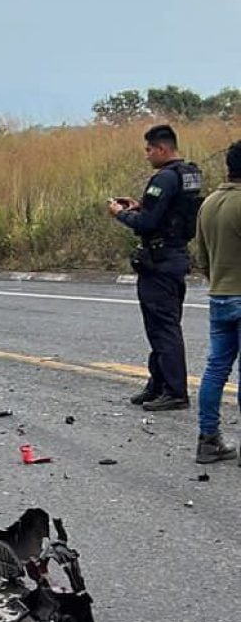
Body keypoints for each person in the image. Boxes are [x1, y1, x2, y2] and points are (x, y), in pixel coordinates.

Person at [108, 124, 201, 412]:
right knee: (160, 326)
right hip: (175, 256)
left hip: (160, 262)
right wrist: (140, 206)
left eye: (149, 150)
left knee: (163, 327)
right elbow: (169, 214)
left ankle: (174, 391)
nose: (147, 155)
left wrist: (121, 214)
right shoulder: (189, 174)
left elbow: (147, 224)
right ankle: (158, 383)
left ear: (162, 149)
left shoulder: (164, 178)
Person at [191, 141, 241, 463]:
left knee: (215, 371)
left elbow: (202, 258)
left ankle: (208, 439)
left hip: (219, 296)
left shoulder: (208, 203)